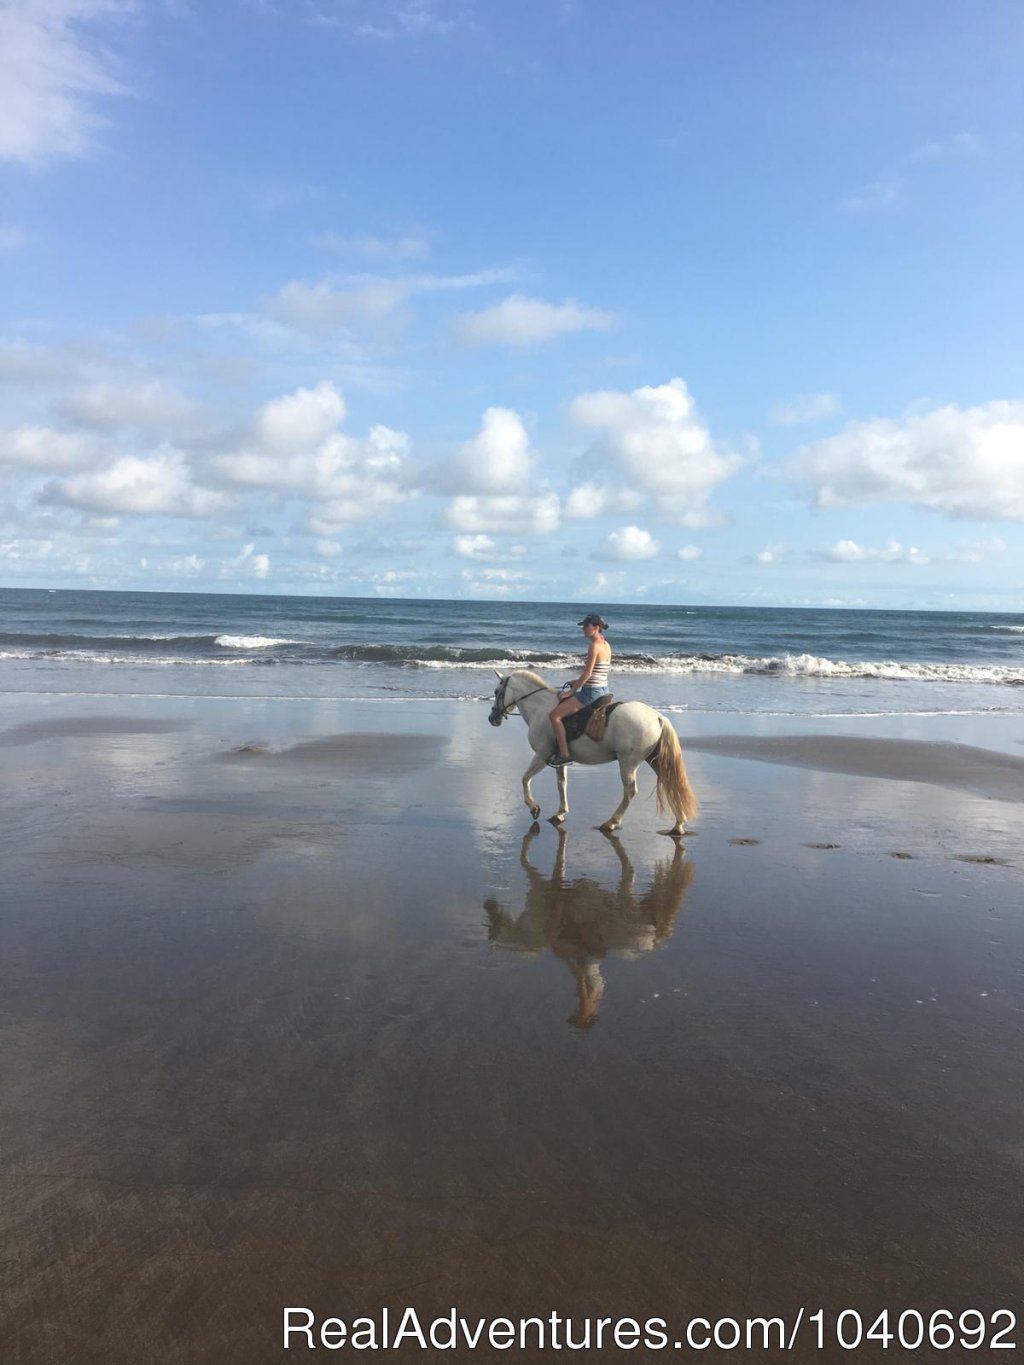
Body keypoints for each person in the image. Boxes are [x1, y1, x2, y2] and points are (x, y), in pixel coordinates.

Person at [547, 613, 611, 766]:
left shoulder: (594, 646)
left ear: (595, 628)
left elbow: (588, 673)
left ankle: (564, 754)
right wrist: (576, 681)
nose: (583, 629)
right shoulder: (606, 644)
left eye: (585, 626)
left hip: (591, 692)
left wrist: (572, 691)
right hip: (604, 689)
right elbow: (600, 671)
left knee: (554, 716)